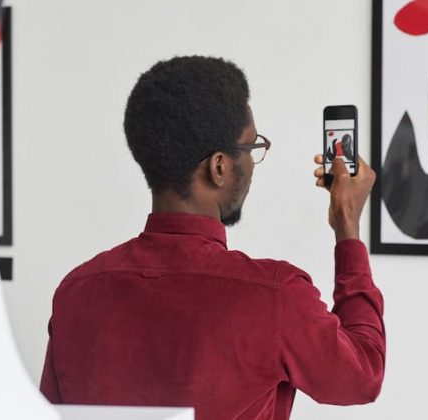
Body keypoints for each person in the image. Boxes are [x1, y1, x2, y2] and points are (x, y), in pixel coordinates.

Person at [40, 56, 385, 420]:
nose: (253, 164)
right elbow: (363, 374)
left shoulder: (75, 292)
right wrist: (347, 227)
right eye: (252, 148)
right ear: (219, 167)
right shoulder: (274, 295)